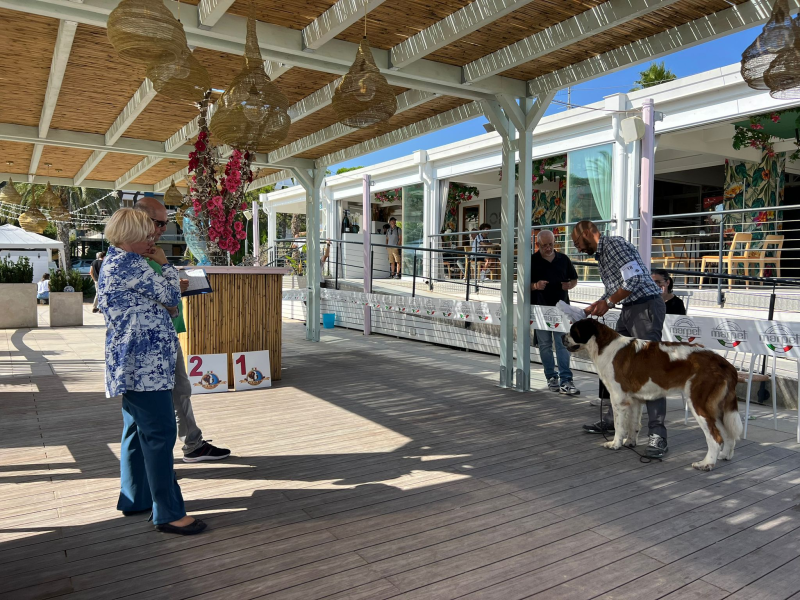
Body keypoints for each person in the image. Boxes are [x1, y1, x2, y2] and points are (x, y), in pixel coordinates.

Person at [98, 208, 206, 535]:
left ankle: (136, 497)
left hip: (131, 363)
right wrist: (166, 263)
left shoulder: (112, 263)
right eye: (147, 232)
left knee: (136, 431)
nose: (152, 238)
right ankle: (169, 513)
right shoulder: (130, 264)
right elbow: (172, 294)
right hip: (144, 365)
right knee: (160, 434)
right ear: (129, 234)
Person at [134, 198, 230, 463]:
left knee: (179, 390)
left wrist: (172, 279)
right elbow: (163, 297)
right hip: (151, 341)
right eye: (160, 223)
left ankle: (190, 443)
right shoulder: (133, 259)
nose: (164, 229)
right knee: (167, 396)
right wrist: (172, 279)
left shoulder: (144, 254)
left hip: (165, 334)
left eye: (166, 223)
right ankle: (181, 448)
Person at [572, 220, 669, 458]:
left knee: (650, 370)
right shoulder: (603, 255)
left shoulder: (614, 245)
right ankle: (614, 422)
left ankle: (658, 435)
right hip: (629, 309)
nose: (577, 249)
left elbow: (633, 280)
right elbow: (616, 287)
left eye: (577, 243)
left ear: (588, 233)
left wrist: (609, 302)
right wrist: (596, 304)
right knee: (612, 365)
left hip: (645, 308)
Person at [531, 230, 579, 395]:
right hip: (540, 309)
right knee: (544, 345)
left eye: (551, 244)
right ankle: (551, 377)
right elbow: (523, 285)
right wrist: (536, 286)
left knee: (563, 344)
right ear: (538, 245)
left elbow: (574, 279)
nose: (548, 248)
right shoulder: (532, 260)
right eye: (544, 245)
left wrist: (569, 286)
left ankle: (566, 379)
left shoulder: (563, 259)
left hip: (561, 309)